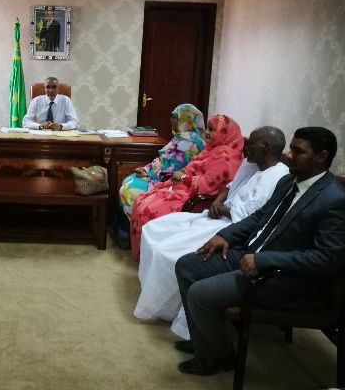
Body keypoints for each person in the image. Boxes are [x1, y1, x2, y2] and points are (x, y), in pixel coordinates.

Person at [174, 127, 345, 376]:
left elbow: (328, 259)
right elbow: (260, 216)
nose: (288, 155)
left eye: (298, 151)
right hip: (251, 253)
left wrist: (263, 260)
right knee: (186, 266)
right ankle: (205, 340)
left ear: (322, 156)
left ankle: (218, 357)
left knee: (200, 294)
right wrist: (225, 235)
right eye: (291, 148)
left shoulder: (335, 200)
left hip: (282, 276)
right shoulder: (289, 181)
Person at [135, 126, 289, 340]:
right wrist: (218, 201)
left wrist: (224, 210)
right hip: (216, 215)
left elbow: (252, 218)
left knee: (166, 252)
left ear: (265, 147)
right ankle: (158, 296)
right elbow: (229, 187)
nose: (245, 148)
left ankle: (168, 309)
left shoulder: (278, 176)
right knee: (154, 228)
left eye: (251, 143)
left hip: (230, 227)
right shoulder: (252, 163)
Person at [129, 114, 244, 260]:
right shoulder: (211, 149)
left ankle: (153, 256)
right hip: (187, 189)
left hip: (199, 200)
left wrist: (182, 178)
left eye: (212, 129)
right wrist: (171, 181)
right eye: (207, 128)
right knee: (142, 199)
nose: (206, 132)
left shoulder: (225, 157)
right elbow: (187, 170)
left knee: (148, 210)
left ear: (224, 133)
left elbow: (208, 185)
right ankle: (147, 256)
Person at [120, 104, 206, 218]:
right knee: (127, 181)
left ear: (186, 120)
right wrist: (146, 169)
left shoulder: (189, 144)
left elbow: (174, 172)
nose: (171, 120)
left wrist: (148, 175)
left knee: (128, 190)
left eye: (175, 117)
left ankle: (140, 223)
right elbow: (162, 160)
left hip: (168, 184)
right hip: (156, 176)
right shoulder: (180, 137)